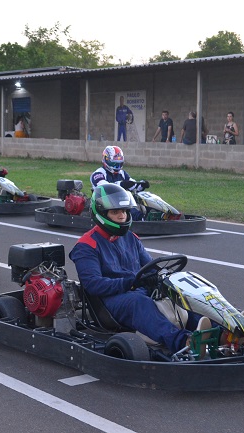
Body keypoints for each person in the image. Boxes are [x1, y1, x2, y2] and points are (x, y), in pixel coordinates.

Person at [69, 183, 212, 357]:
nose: (122, 216)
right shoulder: (86, 245)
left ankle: (220, 330)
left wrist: (158, 280)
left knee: (177, 294)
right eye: (115, 212)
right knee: (140, 303)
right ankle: (184, 342)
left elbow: (150, 268)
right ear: (102, 214)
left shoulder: (131, 238)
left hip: (136, 290)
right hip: (110, 301)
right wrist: (131, 282)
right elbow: (93, 285)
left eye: (124, 211)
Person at [90, 146, 149, 221]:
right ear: (106, 159)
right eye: (114, 164)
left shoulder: (122, 173)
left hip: (119, 201)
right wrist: (121, 184)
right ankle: (140, 218)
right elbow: (105, 187)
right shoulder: (98, 173)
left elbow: (131, 184)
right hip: (105, 202)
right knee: (126, 204)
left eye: (119, 164)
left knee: (137, 198)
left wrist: (141, 185)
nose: (117, 167)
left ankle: (152, 213)